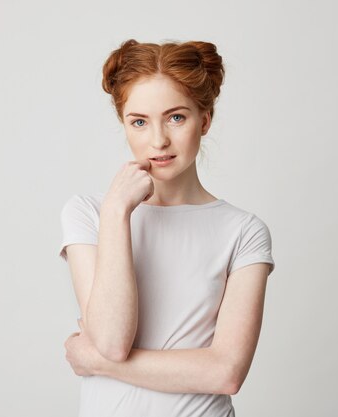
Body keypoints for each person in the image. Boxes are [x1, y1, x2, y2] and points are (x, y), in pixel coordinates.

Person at [58, 39, 275, 417]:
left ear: (204, 120)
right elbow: (111, 340)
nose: (157, 140)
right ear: (124, 125)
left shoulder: (243, 231)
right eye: (139, 122)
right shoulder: (91, 213)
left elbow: (226, 373)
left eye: (176, 117)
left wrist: (98, 363)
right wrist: (116, 212)